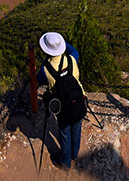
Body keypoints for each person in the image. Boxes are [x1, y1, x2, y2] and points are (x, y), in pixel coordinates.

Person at [36, 31, 85, 169]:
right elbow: (74, 50)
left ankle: (65, 162)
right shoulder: (72, 59)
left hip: (62, 107)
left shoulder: (45, 70)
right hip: (79, 101)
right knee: (76, 128)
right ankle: (74, 155)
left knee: (64, 133)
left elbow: (39, 79)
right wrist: (62, 45)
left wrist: (47, 59)